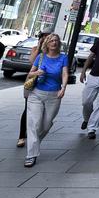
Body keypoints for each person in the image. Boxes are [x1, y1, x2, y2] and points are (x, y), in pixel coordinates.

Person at [24, 33, 68, 167]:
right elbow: (30, 73)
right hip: (36, 93)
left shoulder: (63, 58)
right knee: (34, 123)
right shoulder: (41, 57)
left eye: (56, 41)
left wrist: (63, 88)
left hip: (54, 94)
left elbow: (65, 73)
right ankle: (31, 155)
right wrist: (37, 73)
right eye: (51, 41)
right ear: (47, 44)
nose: (54, 43)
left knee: (47, 124)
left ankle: (34, 143)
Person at [17, 31, 50, 148]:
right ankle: (21, 136)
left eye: (48, 38)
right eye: (43, 38)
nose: (46, 40)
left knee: (41, 113)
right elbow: (31, 61)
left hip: (46, 84)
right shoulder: (36, 49)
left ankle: (33, 133)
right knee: (27, 109)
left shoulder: (53, 52)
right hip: (32, 81)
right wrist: (40, 47)